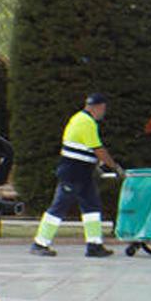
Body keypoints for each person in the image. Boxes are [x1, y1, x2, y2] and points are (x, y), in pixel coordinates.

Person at [30, 91, 124, 257]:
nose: (103, 113)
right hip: (72, 173)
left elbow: (86, 150)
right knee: (59, 206)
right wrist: (115, 167)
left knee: (92, 207)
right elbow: (98, 149)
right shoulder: (86, 122)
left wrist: (96, 166)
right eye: (103, 109)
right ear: (98, 107)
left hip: (82, 173)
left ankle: (94, 245)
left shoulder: (79, 119)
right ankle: (40, 243)